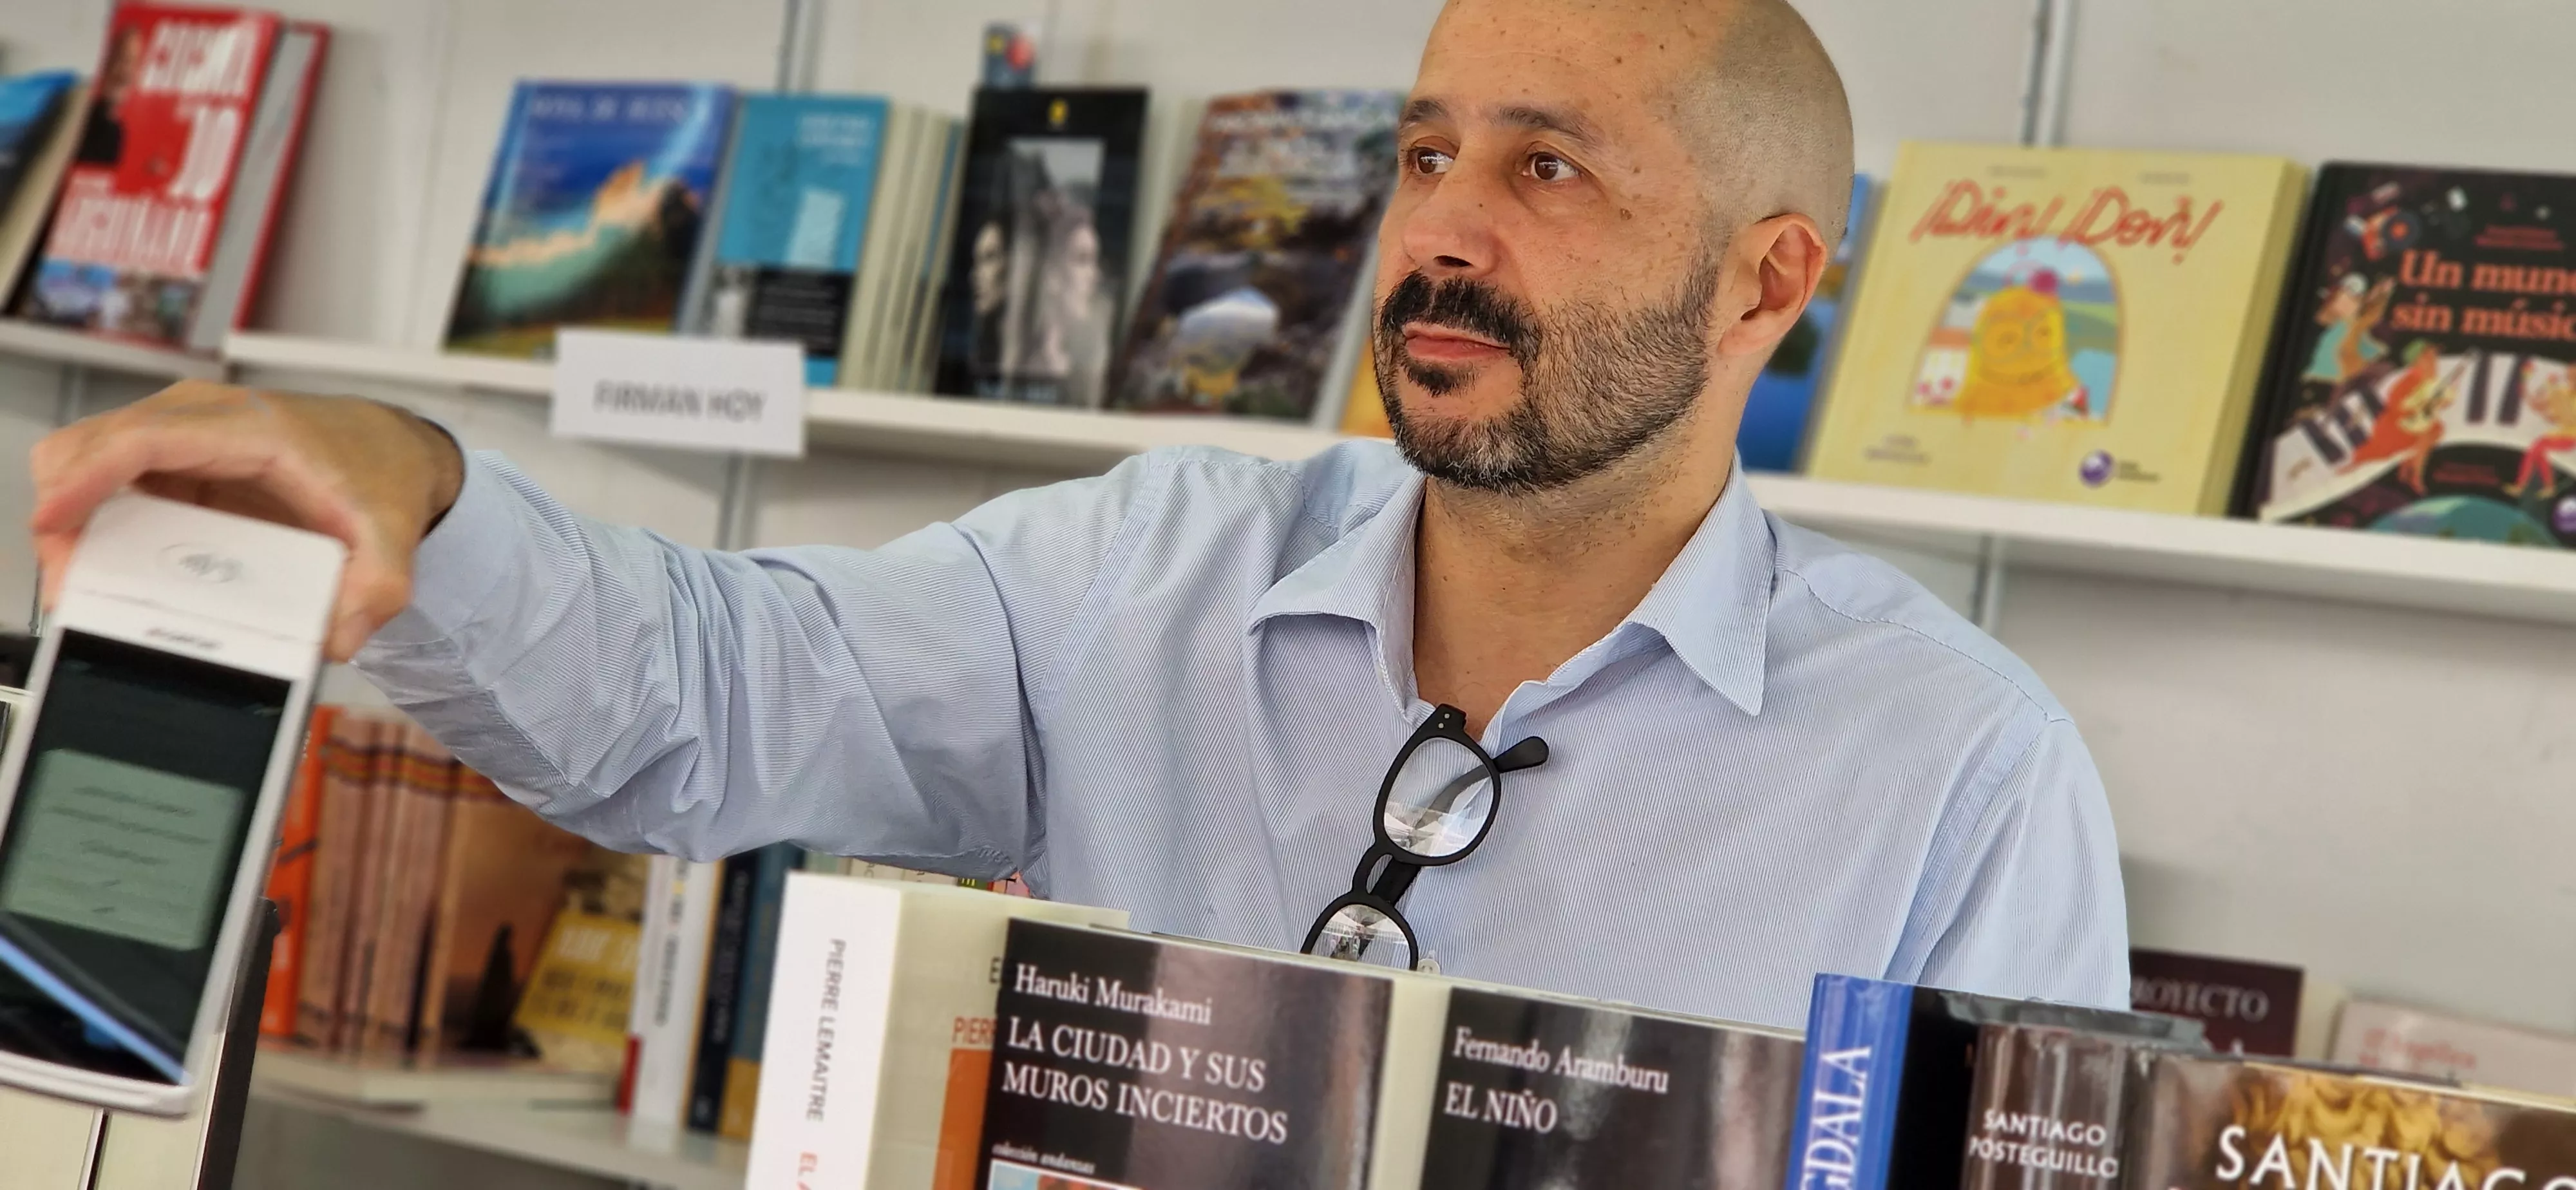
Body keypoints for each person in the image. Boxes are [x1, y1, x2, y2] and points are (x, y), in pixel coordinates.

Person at [24, 0, 2126, 1028]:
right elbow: (699, 697)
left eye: (1549, 174)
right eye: (1422, 158)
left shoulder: (1960, 768)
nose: (1441, 243)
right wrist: (420, 482)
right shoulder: (1135, 574)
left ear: (1772, 278)